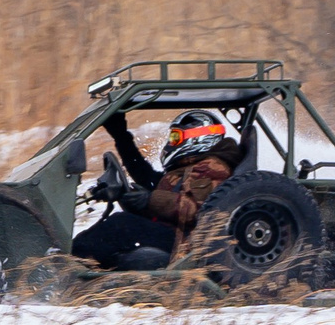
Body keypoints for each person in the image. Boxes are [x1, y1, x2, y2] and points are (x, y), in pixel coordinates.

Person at [71, 109, 245, 272]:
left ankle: (67, 268)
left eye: (176, 137)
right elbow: (150, 181)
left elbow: (196, 211)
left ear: (199, 138)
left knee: (120, 225)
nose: (171, 143)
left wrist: (150, 199)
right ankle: (81, 270)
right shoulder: (190, 167)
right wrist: (122, 137)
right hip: (174, 236)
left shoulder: (211, 167)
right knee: (120, 226)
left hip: (187, 245)